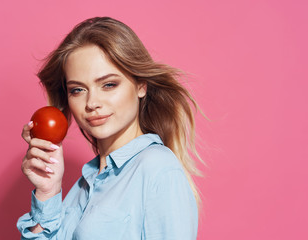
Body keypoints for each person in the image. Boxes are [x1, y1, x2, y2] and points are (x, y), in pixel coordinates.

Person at [17, 17, 203, 239]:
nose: (92, 103)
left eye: (108, 84)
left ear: (140, 85)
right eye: (77, 90)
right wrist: (47, 192)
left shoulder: (157, 167)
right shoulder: (85, 184)